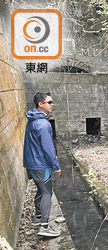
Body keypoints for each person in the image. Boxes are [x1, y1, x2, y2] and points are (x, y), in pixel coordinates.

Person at [23, 92, 61, 237]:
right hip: (40, 164)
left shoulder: (32, 119)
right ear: (41, 104)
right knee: (47, 192)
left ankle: (38, 217)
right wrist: (56, 165)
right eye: (49, 102)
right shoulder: (44, 124)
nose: (52, 105)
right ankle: (44, 227)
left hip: (31, 162)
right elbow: (48, 147)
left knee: (40, 189)